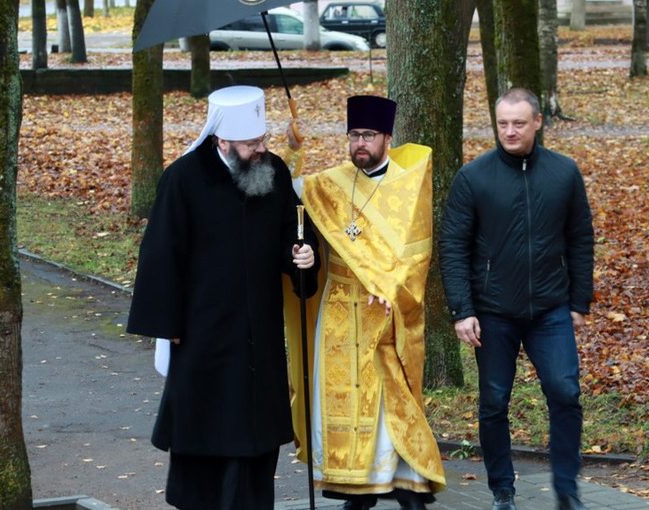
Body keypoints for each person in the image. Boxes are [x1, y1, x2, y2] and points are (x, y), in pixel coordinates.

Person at [127, 85, 319, 510]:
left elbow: (293, 228)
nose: (261, 150)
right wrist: (169, 327)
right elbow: (161, 255)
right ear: (222, 141)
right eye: (252, 144)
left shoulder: (274, 173)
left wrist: (303, 256)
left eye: (264, 140)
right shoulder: (183, 179)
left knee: (255, 446)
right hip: (204, 338)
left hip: (260, 336)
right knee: (208, 444)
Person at [286, 95, 446, 510]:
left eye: (368, 136)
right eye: (354, 135)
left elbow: (417, 254)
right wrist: (293, 149)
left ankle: (404, 484)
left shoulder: (407, 185)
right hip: (338, 311)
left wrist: (390, 285)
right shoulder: (331, 184)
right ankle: (355, 488)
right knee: (345, 402)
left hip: (386, 313)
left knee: (389, 404)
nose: (360, 143)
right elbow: (285, 193)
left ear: (387, 138)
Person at [439, 87, 594, 510]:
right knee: (493, 402)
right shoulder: (474, 177)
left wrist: (579, 302)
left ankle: (567, 488)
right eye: (502, 123)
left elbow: (580, 238)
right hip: (492, 313)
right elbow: (453, 245)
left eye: (519, 123)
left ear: (538, 122)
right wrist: (462, 310)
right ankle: (502, 491)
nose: (509, 131)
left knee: (564, 392)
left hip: (550, 309)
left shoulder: (564, 173)